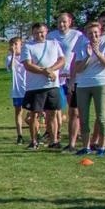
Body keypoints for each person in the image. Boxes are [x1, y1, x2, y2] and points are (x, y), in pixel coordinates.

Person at [73, 20, 105, 156]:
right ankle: (86, 147)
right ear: (86, 34)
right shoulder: (82, 44)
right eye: (90, 33)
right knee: (83, 116)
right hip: (83, 84)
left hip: (101, 82)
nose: (93, 36)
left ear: (100, 33)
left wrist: (98, 53)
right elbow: (78, 68)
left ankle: (101, 147)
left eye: (96, 33)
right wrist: (87, 56)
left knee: (101, 116)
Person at [19, 22, 65, 151]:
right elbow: (27, 65)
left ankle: (54, 140)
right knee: (34, 114)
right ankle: (34, 141)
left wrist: (51, 70)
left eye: (42, 32)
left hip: (52, 85)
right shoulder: (28, 46)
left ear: (46, 32)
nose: (39, 35)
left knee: (53, 113)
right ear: (32, 34)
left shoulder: (54, 44)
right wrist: (44, 71)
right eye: (36, 33)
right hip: (35, 87)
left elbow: (62, 60)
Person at [48, 12, 84, 150]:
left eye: (64, 21)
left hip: (72, 77)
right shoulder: (51, 36)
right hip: (56, 77)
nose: (61, 24)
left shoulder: (77, 35)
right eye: (59, 22)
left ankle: (75, 137)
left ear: (70, 21)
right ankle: (54, 137)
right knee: (54, 109)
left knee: (74, 110)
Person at [4, 36, 28, 144]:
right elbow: (11, 67)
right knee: (18, 112)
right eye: (12, 45)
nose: (14, 47)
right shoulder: (9, 58)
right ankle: (20, 135)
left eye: (16, 45)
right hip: (17, 90)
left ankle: (36, 134)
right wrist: (13, 54)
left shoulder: (26, 56)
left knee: (34, 112)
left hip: (28, 88)